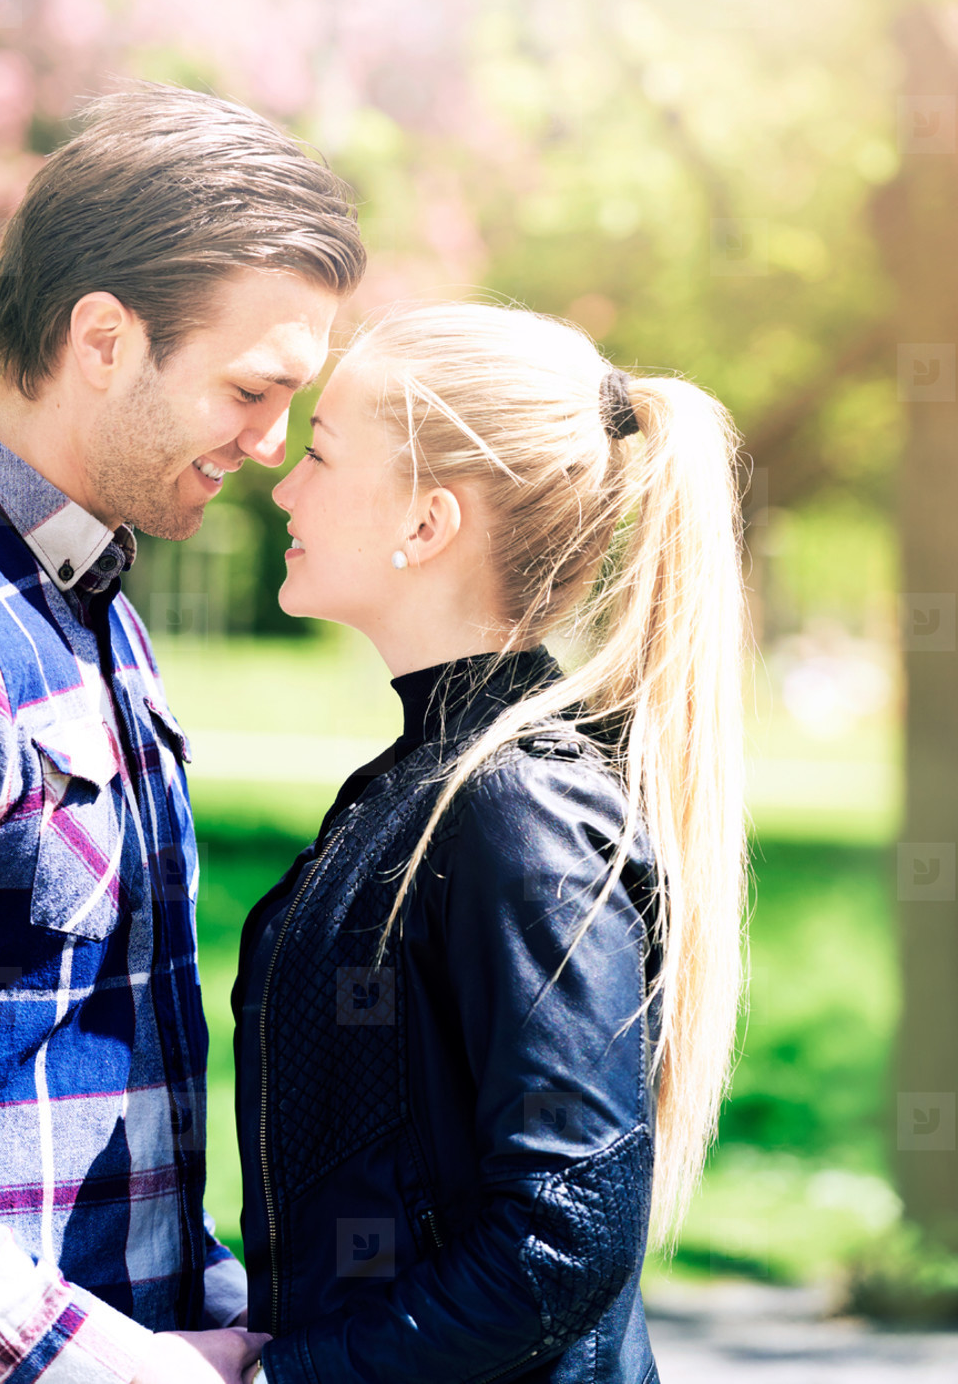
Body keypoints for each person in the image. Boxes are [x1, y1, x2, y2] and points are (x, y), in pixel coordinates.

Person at [0, 85, 364, 1384]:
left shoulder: (87, 609)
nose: (271, 445)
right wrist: (107, 1364)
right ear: (105, 338)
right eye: (251, 390)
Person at [233, 302, 747, 1384]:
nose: (282, 485)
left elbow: (564, 1240)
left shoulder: (517, 808)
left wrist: (284, 1378)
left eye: (321, 454)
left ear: (425, 524)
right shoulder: (424, 783)